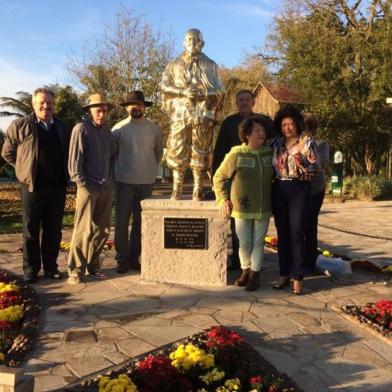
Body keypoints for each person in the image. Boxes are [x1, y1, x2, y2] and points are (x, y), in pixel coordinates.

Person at [1, 87, 69, 283]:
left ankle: (51, 267)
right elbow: (7, 153)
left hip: (57, 187)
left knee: (53, 230)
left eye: (50, 103)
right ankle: (31, 269)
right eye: (42, 102)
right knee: (30, 229)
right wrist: (23, 168)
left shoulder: (62, 127)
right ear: (34, 104)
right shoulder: (20, 125)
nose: (46, 106)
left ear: (54, 105)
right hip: (32, 187)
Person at [212, 89, 272, 270]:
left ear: (253, 102)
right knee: (238, 226)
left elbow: (275, 141)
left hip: (258, 175)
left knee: (257, 232)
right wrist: (217, 184)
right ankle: (240, 262)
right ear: (237, 103)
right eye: (241, 100)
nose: (244, 103)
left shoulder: (263, 121)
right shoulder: (229, 122)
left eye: (247, 100)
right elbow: (220, 150)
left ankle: (254, 266)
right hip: (235, 177)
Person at [161, 28, 224, 200]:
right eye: (189, 40)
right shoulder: (173, 65)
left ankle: (198, 188)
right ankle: (177, 187)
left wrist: (204, 94)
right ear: (183, 42)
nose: (192, 43)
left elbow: (220, 90)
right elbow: (164, 87)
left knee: (201, 150)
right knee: (176, 148)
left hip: (202, 115)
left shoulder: (211, 65)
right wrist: (182, 92)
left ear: (202, 44)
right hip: (180, 114)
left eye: (196, 40)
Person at [112, 91, 163, 273]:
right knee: (122, 222)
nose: (136, 107)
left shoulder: (154, 129)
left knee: (141, 223)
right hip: (124, 181)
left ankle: (135, 258)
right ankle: (122, 259)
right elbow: (112, 155)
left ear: (144, 106)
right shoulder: (118, 129)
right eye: (132, 104)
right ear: (126, 108)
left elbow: (158, 153)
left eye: (139, 104)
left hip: (146, 182)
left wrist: (148, 168)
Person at [271, 105, 319, 295]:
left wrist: (303, 162)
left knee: (297, 232)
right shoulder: (276, 143)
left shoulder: (307, 142)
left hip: (299, 188)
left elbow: (317, 169)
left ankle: (297, 277)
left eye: (291, 124)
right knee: (282, 233)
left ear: (297, 125)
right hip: (279, 188)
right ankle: (284, 273)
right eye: (284, 124)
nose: (287, 128)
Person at [67, 94, 115, 284]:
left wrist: (110, 180)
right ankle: (75, 270)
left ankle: (93, 266)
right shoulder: (81, 129)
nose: (101, 114)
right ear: (89, 110)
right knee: (83, 230)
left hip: (106, 186)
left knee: (102, 230)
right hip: (87, 186)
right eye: (98, 110)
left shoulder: (108, 132)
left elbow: (111, 158)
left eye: (104, 110)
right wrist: (82, 183)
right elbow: (74, 161)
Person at [302, 112, 329, 274]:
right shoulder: (294, 143)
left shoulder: (321, 144)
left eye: (303, 127)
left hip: (315, 190)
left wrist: (308, 151)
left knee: (310, 225)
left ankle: (310, 261)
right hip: (298, 190)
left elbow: (323, 163)